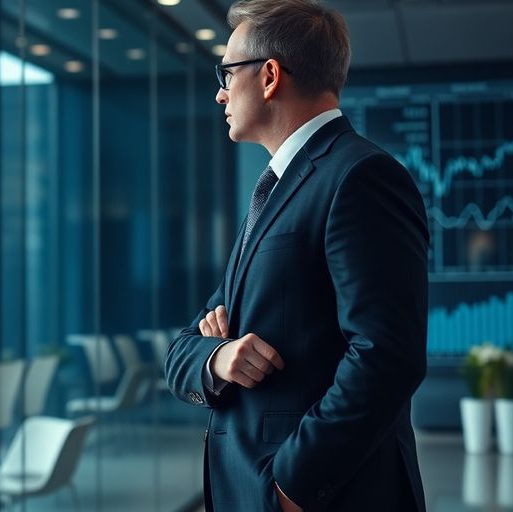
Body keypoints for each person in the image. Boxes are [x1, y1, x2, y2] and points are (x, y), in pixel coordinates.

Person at [163, 1, 430, 511]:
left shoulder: (360, 177)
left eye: (227, 73)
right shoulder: (274, 190)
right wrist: (218, 357)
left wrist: (292, 487)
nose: (220, 92)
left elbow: (386, 356)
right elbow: (183, 347)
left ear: (269, 76)